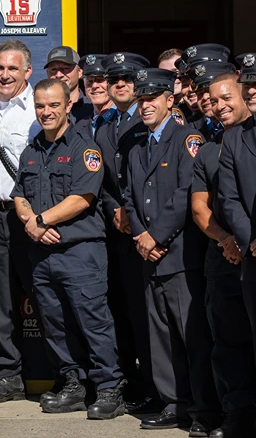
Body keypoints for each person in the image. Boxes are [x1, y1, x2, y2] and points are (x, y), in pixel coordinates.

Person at [12, 78, 126, 419]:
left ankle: (110, 389)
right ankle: (73, 386)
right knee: (55, 324)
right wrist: (31, 222)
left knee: (94, 321)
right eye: (40, 106)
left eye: (53, 105)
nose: (46, 112)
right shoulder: (31, 149)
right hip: (42, 254)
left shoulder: (83, 147)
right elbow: (19, 194)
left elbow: (83, 198)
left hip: (81, 251)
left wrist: (41, 220)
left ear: (67, 106)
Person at [123, 68, 220, 433]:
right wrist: (141, 236)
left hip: (179, 256)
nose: (145, 105)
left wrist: (157, 236)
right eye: (141, 99)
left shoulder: (187, 138)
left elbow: (185, 194)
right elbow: (130, 197)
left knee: (192, 338)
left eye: (152, 98)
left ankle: (203, 410)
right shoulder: (137, 144)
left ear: (169, 99)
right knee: (161, 338)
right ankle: (173, 404)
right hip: (149, 255)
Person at [0, 39, 44, 404]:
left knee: (47, 295)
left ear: (27, 72)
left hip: (35, 218)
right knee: (0, 301)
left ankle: (69, 375)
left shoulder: (40, 110)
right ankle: (9, 376)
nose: (4, 75)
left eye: (12, 69)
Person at [94, 52, 160, 413]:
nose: (120, 83)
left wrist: (132, 215)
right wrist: (113, 208)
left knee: (147, 312)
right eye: (114, 77)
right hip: (114, 232)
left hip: (147, 233)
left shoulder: (153, 120)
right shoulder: (104, 128)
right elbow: (102, 182)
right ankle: (133, 385)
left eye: (128, 77)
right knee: (120, 310)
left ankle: (156, 388)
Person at [191, 72, 255, 437]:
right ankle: (238, 413)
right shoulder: (209, 147)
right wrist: (229, 241)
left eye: (226, 97)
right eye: (213, 101)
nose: (219, 106)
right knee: (228, 341)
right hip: (225, 257)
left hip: (250, 252)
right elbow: (201, 207)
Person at [218, 54, 256, 437]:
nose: (255, 91)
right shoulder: (235, 139)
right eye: (251, 85)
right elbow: (229, 199)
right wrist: (250, 241)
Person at [186, 61, 234, 141]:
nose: (205, 97)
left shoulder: (248, 129)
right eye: (200, 93)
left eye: (209, 91)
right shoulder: (191, 130)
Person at [44, 45, 92, 123]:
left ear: (79, 72)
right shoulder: (41, 111)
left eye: (65, 68)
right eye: (53, 70)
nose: (59, 75)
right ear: (47, 73)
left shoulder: (92, 109)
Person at [74, 54, 116, 138]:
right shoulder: (79, 126)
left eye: (100, 80)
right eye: (89, 81)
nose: (94, 86)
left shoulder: (122, 120)